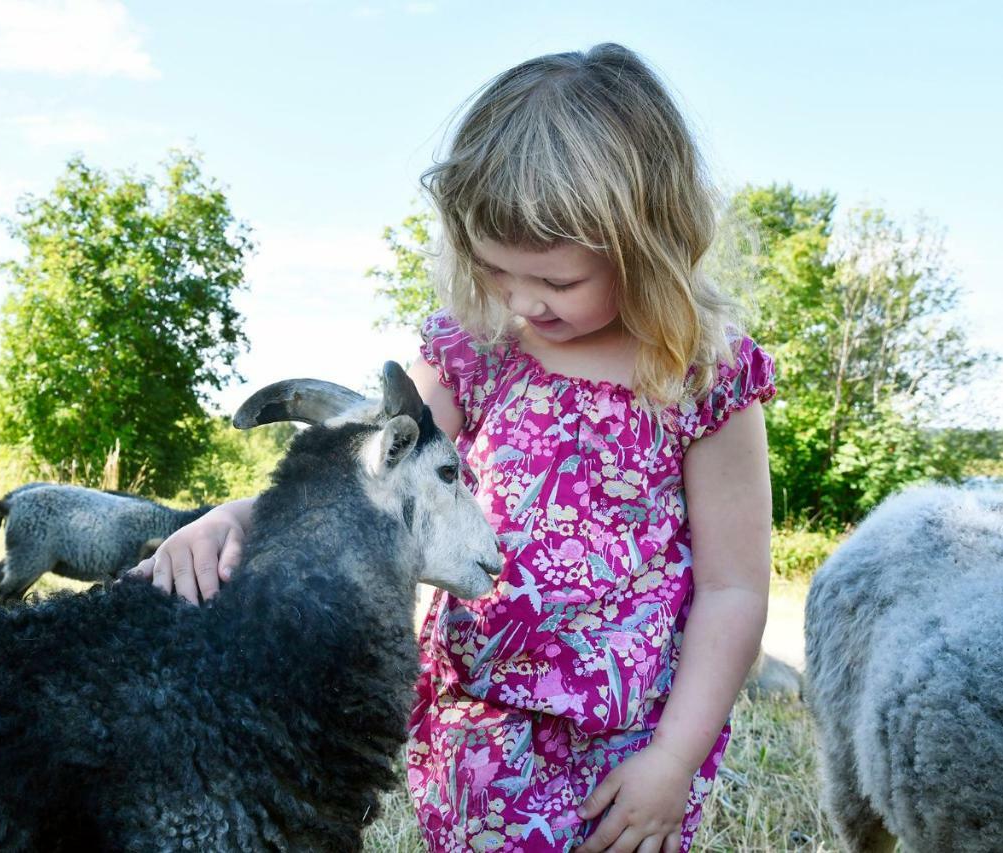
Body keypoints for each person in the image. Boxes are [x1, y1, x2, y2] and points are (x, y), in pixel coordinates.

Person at [128, 43, 773, 853]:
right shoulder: (476, 352)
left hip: (628, 743)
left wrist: (674, 757)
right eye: (497, 273)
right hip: (480, 729)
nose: (522, 300)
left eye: (556, 281)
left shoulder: (703, 375)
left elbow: (735, 588)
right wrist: (235, 518)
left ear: (645, 241)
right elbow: (358, 489)